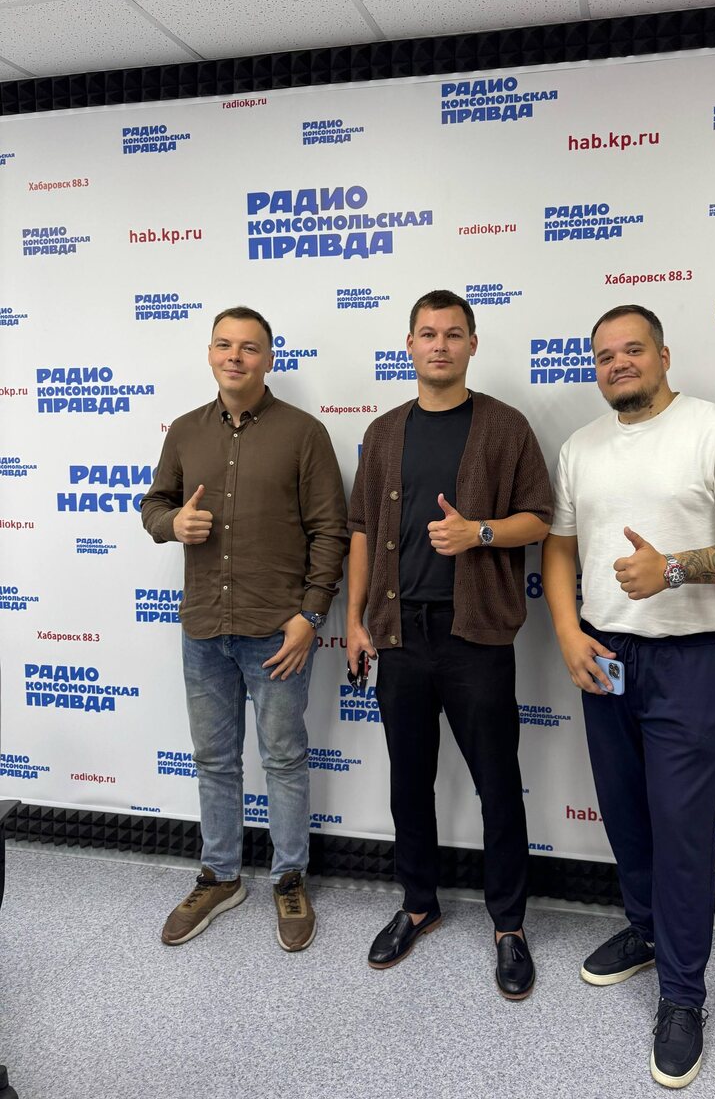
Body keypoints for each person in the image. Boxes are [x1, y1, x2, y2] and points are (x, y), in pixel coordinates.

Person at [542, 304, 715, 1087]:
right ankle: (647, 932)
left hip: (689, 662)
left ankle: (683, 996)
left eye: (633, 350)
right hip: (606, 657)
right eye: (604, 355)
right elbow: (559, 547)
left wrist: (673, 568)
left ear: (663, 355)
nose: (618, 363)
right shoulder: (581, 447)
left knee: (681, 832)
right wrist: (568, 632)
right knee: (625, 814)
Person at [346, 289, 553, 999]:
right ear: (409, 345)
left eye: (453, 333)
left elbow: (539, 518)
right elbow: (362, 529)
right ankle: (418, 903)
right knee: (409, 780)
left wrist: (479, 533)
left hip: (476, 636)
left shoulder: (505, 426)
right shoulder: (382, 432)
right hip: (399, 635)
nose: (440, 345)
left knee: (497, 783)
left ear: (472, 344)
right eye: (428, 334)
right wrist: (354, 620)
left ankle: (509, 924)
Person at [141, 306, 348, 952]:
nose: (235, 356)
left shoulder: (305, 433)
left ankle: (289, 877)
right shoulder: (184, 431)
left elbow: (330, 531)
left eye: (249, 347)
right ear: (210, 354)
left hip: (276, 633)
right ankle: (221, 876)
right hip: (204, 627)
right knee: (214, 761)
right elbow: (154, 504)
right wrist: (172, 525)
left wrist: (310, 616)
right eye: (224, 345)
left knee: (284, 759)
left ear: (269, 358)